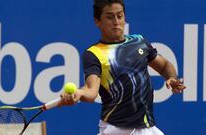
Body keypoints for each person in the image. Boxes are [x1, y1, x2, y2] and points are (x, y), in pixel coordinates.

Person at [60, 0, 186, 135]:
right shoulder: (94, 53)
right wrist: (79, 93)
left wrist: (171, 77)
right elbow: (91, 90)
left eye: (119, 16)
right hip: (116, 129)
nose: (116, 21)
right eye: (109, 17)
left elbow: (165, 65)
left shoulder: (139, 41)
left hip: (147, 128)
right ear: (97, 21)